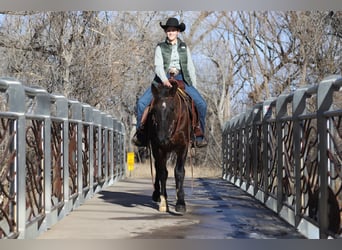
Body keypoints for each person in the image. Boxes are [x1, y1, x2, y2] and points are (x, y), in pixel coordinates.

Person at [132, 17, 207, 148]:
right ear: (166, 32)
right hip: (162, 78)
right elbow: (158, 67)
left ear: (178, 31)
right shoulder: (160, 48)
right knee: (141, 103)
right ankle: (141, 134)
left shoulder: (184, 47)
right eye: (168, 30)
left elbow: (190, 67)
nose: (170, 32)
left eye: (173, 30)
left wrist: (193, 86)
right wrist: (165, 79)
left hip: (181, 78)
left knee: (201, 104)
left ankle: (198, 135)